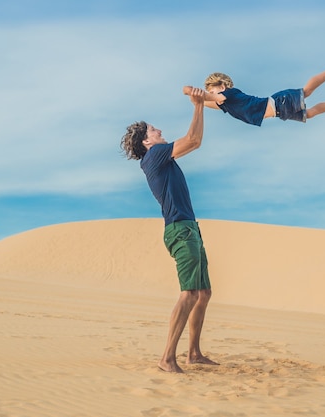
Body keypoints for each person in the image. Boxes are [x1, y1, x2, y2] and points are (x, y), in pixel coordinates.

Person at [120, 87, 218, 373]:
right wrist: (198, 105)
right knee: (189, 293)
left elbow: (193, 143)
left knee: (204, 292)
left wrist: (200, 104)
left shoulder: (159, 157)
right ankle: (166, 358)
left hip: (189, 228)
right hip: (180, 231)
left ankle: (194, 353)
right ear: (146, 141)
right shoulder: (154, 156)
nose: (159, 130)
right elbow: (194, 140)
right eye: (153, 129)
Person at [183, 64, 325, 127]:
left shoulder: (229, 94)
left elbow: (214, 98)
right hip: (279, 112)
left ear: (222, 86)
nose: (212, 94)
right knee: (309, 114)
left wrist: (190, 90)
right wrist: (195, 98)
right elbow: (203, 103)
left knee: (306, 92)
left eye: (212, 90)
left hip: (278, 102)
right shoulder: (224, 103)